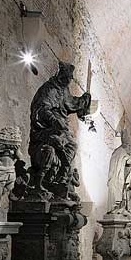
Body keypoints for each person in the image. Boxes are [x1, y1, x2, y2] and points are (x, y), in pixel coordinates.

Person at [28, 61, 91, 198]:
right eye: (66, 78)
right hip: (45, 129)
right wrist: (54, 120)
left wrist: (84, 100)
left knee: (72, 145)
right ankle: (43, 180)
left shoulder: (63, 90)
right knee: (56, 145)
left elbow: (70, 103)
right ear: (60, 75)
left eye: (70, 78)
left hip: (61, 128)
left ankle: (62, 179)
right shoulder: (49, 89)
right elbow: (41, 108)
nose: (68, 81)